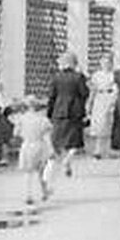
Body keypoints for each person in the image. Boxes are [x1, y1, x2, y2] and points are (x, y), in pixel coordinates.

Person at [47, 50, 89, 178]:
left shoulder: (56, 77)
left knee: (58, 139)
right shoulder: (78, 77)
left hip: (59, 110)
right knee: (75, 141)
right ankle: (68, 160)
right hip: (75, 111)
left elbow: (52, 96)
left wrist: (49, 112)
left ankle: (59, 160)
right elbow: (84, 93)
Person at [15, 96, 55, 205]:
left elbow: (16, 133)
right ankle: (44, 191)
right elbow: (47, 136)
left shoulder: (21, 119)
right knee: (41, 172)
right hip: (40, 145)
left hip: (27, 145)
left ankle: (28, 195)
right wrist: (51, 150)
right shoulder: (43, 119)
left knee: (28, 172)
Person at [86, 54, 117, 160]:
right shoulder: (97, 75)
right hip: (99, 98)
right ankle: (97, 150)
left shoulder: (114, 75)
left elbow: (116, 89)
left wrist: (114, 101)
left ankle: (108, 149)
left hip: (110, 97)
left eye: (108, 63)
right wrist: (89, 103)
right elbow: (93, 90)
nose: (106, 65)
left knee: (108, 124)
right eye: (104, 62)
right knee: (99, 124)